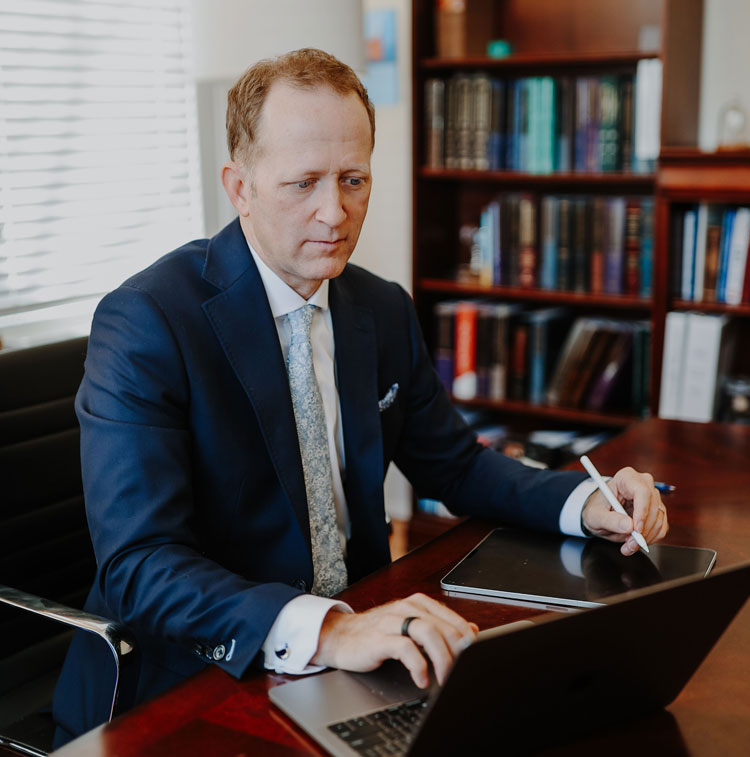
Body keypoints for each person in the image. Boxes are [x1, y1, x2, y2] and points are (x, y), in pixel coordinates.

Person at [52, 48, 668, 741]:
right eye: (302, 182)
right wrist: (329, 630)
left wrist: (583, 502)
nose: (334, 211)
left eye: (353, 179)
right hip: (196, 673)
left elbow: (455, 465)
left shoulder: (377, 307)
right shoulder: (147, 322)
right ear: (239, 186)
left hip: (365, 650)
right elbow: (140, 565)